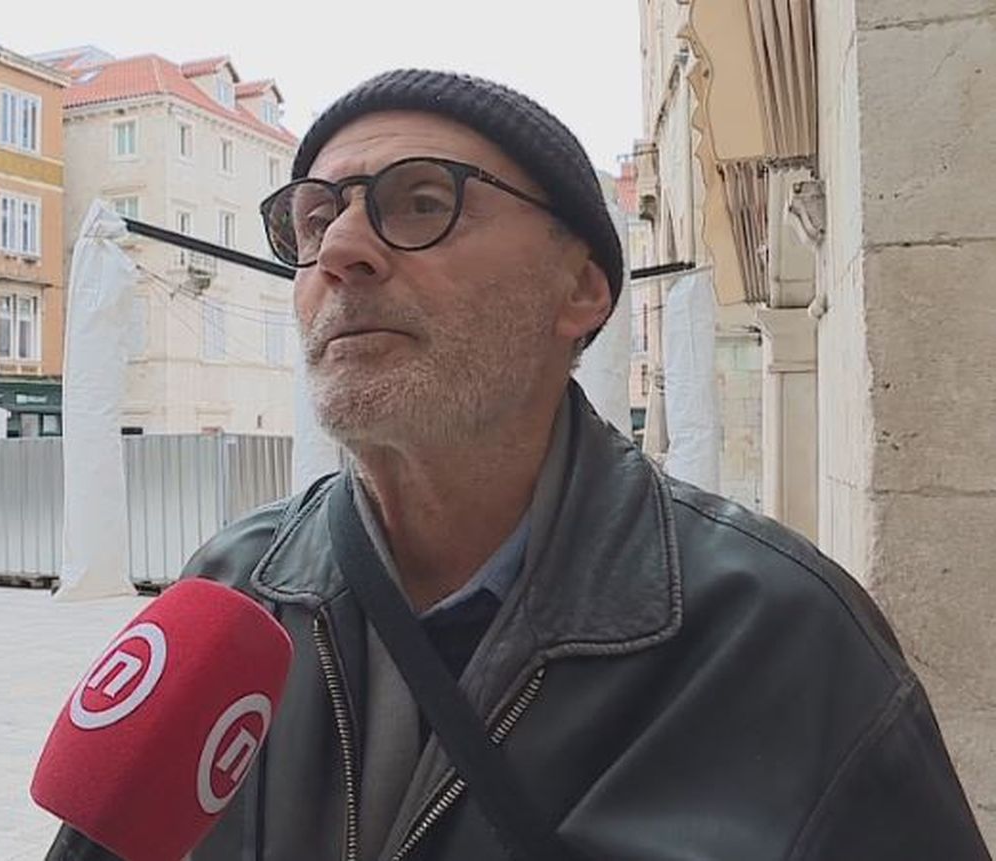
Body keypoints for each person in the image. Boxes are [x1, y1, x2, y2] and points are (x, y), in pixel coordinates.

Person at [181, 69, 989, 860]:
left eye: (423, 202)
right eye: (315, 220)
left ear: (581, 290)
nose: (339, 250)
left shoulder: (782, 639)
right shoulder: (227, 594)